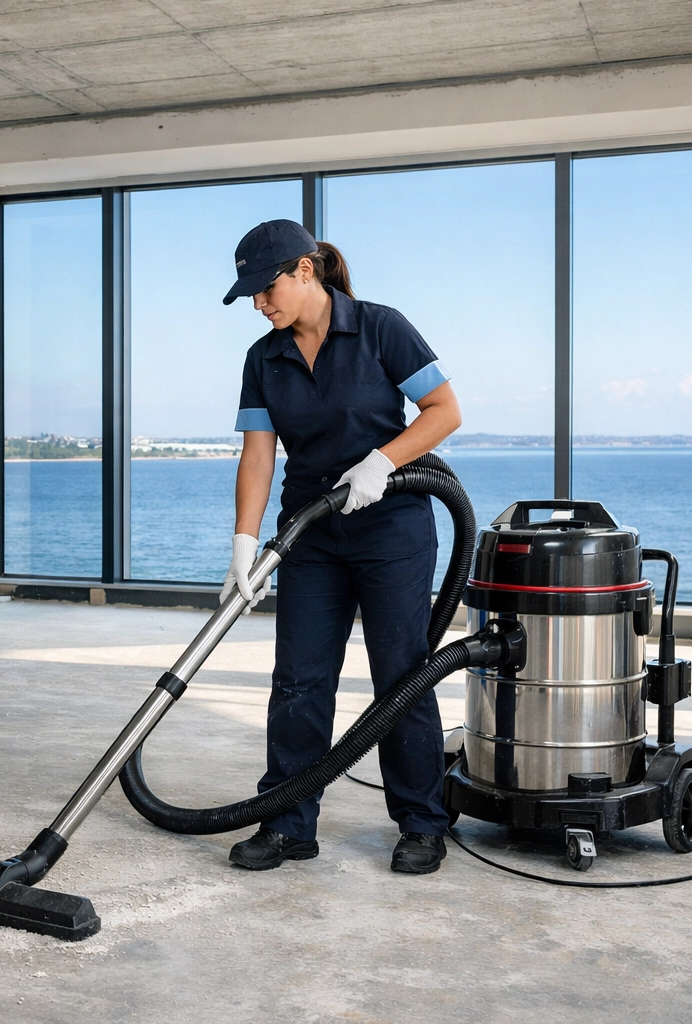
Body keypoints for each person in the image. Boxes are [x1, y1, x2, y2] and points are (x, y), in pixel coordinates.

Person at [217, 219, 462, 875]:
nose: (260, 306)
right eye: (251, 297)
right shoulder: (263, 358)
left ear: (304, 270)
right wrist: (245, 543)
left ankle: (421, 823)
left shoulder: (382, 327)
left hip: (392, 526)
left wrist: (383, 461)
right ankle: (289, 822)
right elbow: (258, 456)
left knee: (401, 672)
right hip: (312, 530)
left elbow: (444, 411)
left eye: (265, 290)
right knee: (299, 678)